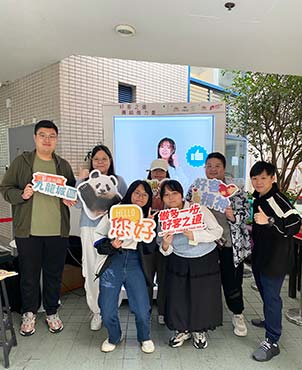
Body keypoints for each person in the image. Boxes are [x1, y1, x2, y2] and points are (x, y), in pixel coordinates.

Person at [0, 120, 76, 336]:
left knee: (54, 274)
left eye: (52, 136)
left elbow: (71, 192)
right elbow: (5, 188)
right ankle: (29, 313)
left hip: (57, 232)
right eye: (42, 135)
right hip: (28, 232)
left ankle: (52, 312)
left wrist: (70, 199)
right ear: (35, 138)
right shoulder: (22, 162)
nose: (47, 140)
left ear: (56, 139)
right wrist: (21, 195)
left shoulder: (62, 165)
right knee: (29, 276)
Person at [186, 152, 251, 337]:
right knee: (205, 281)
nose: (212, 169)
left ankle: (237, 313)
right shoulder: (197, 187)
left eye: (217, 166)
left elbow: (246, 213)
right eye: (209, 166)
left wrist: (232, 215)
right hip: (205, 244)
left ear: (224, 168)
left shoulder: (234, 189)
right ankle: (204, 316)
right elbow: (187, 208)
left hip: (229, 244)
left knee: (232, 282)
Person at [159, 180, 223, 349]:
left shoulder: (198, 209)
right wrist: (166, 244)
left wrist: (195, 235)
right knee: (179, 297)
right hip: (179, 259)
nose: (171, 198)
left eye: (174, 193)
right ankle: (183, 329)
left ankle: (199, 330)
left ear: (181, 194)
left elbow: (217, 231)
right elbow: (164, 247)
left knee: (202, 296)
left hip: (204, 259)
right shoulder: (164, 217)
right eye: (166, 195)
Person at [93, 180, 156, 354]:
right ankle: (114, 336)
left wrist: (148, 230)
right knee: (106, 310)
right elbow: (98, 236)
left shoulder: (150, 216)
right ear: (129, 193)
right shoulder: (115, 211)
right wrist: (111, 245)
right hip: (115, 261)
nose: (140, 197)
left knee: (142, 310)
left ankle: (144, 337)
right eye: (137, 193)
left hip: (136, 263)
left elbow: (152, 249)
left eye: (145, 194)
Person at [249, 161, 301, 362]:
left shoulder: (277, 199)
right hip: (261, 255)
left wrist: (270, 221)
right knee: (264, 292)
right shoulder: (259, 198)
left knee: (272, 297)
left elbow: (295, 223)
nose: (258, 182)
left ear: (273, 178)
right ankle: (270, 320)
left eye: (263, 177)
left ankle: (272, 340)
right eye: (255, 178)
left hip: (276, 259)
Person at [76, 144, 127, 331]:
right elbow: (76, 204)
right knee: (91, 269)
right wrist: (79, 181)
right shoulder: (84, 181)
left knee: (112, 269)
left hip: (111, 231)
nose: (100, 162)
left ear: (110, 161)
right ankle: (97, 311)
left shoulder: (119, 181)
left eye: (104, 159)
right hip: (89, 229)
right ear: (91, 162)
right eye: (96, 159)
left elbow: (125, 204)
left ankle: (111, 309)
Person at [143, 159, 169, 324]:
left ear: (167, 173)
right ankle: (145, 309)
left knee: (164, 276)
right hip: (147, 237)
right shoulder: (143, 188)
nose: (158, 174)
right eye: (155, 171)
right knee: (146, 275)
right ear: (150, 173)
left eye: (161, 171)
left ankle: (163, 310)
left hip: (166, 238)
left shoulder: (172, 189)